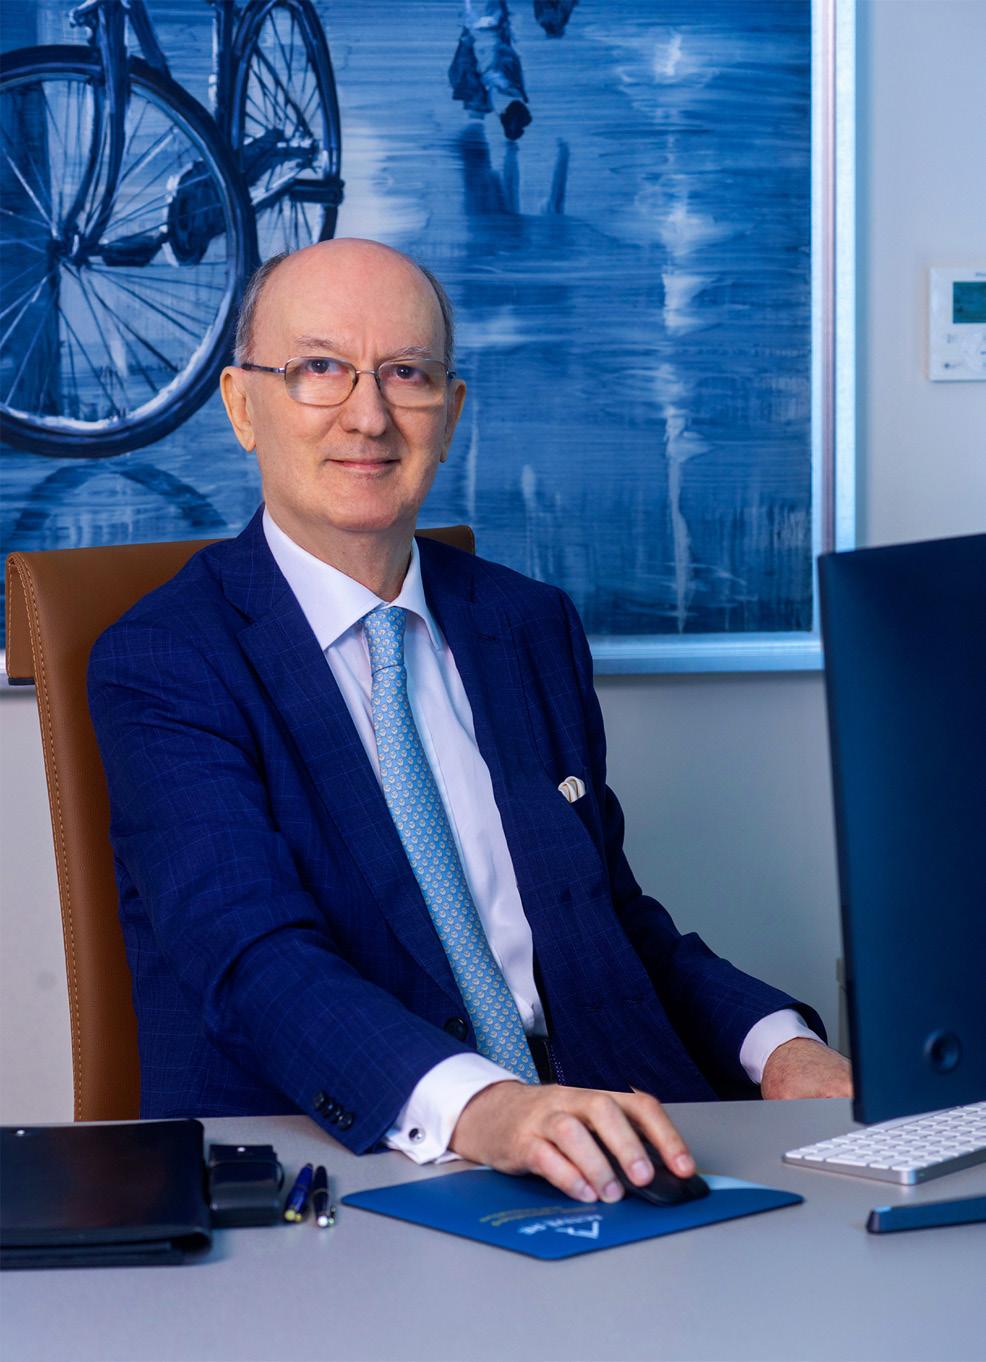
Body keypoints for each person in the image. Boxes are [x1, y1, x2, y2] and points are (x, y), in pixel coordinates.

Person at [88, 239, 850, 1208]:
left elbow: (606, 916)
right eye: (319, 368)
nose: (368, 416)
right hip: (335, 1155)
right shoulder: (165, 660)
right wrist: (486, 1108)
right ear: (242, 405)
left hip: (604, 1126)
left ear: (448, 415)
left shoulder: (526, 624)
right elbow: (252, 961)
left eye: (406, 374)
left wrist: (778, 1048)